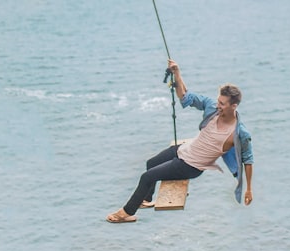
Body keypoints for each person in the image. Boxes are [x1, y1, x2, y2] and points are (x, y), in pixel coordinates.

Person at [106, 59, 254, 223]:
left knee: (146, 177)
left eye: (222, 104)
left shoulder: (239, 132)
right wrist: (177, 73)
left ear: (234, 106)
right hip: (185, 149)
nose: (218, 105)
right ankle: (146, 200)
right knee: (150, 163)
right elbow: (185, 97)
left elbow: (248, 160)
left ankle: (126, 213)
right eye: (218, 101)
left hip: (192, 165)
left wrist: (248, 189)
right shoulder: (212, 107)